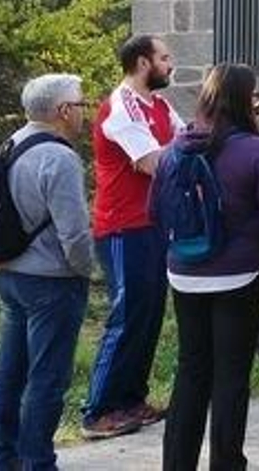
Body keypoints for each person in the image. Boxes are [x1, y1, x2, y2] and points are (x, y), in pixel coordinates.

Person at [155, 64, 259, 470]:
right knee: (231, 376)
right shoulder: (255, 150)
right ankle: (227, 464)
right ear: (245, 100)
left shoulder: (175, 149)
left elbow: (154, 211)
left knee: (191, 370)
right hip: (240, 275)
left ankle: (176, 464)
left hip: (184, 273)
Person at [0, 73, 94, 470]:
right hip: (52, 281)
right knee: (47, 379)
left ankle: (4, 459)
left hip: (9, 273)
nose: (85, 112)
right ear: (63, 111)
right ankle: (38, 462)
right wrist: (87, 272)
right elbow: (74, 234)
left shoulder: (10, 144)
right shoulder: (60, 157)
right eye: (81, 105)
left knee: (9, 374)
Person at [83, 34, 183, 439]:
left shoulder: (159, 105)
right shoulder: (121, 107)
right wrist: (186, 153)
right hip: (123, 227)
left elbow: (185, 138)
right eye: (164, 58)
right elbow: (151, 162)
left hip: (153, 224)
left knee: (149, 313)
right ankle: (98, 409)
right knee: (126, 317)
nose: (170, 64)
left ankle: (131, 400)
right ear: (143, 64)